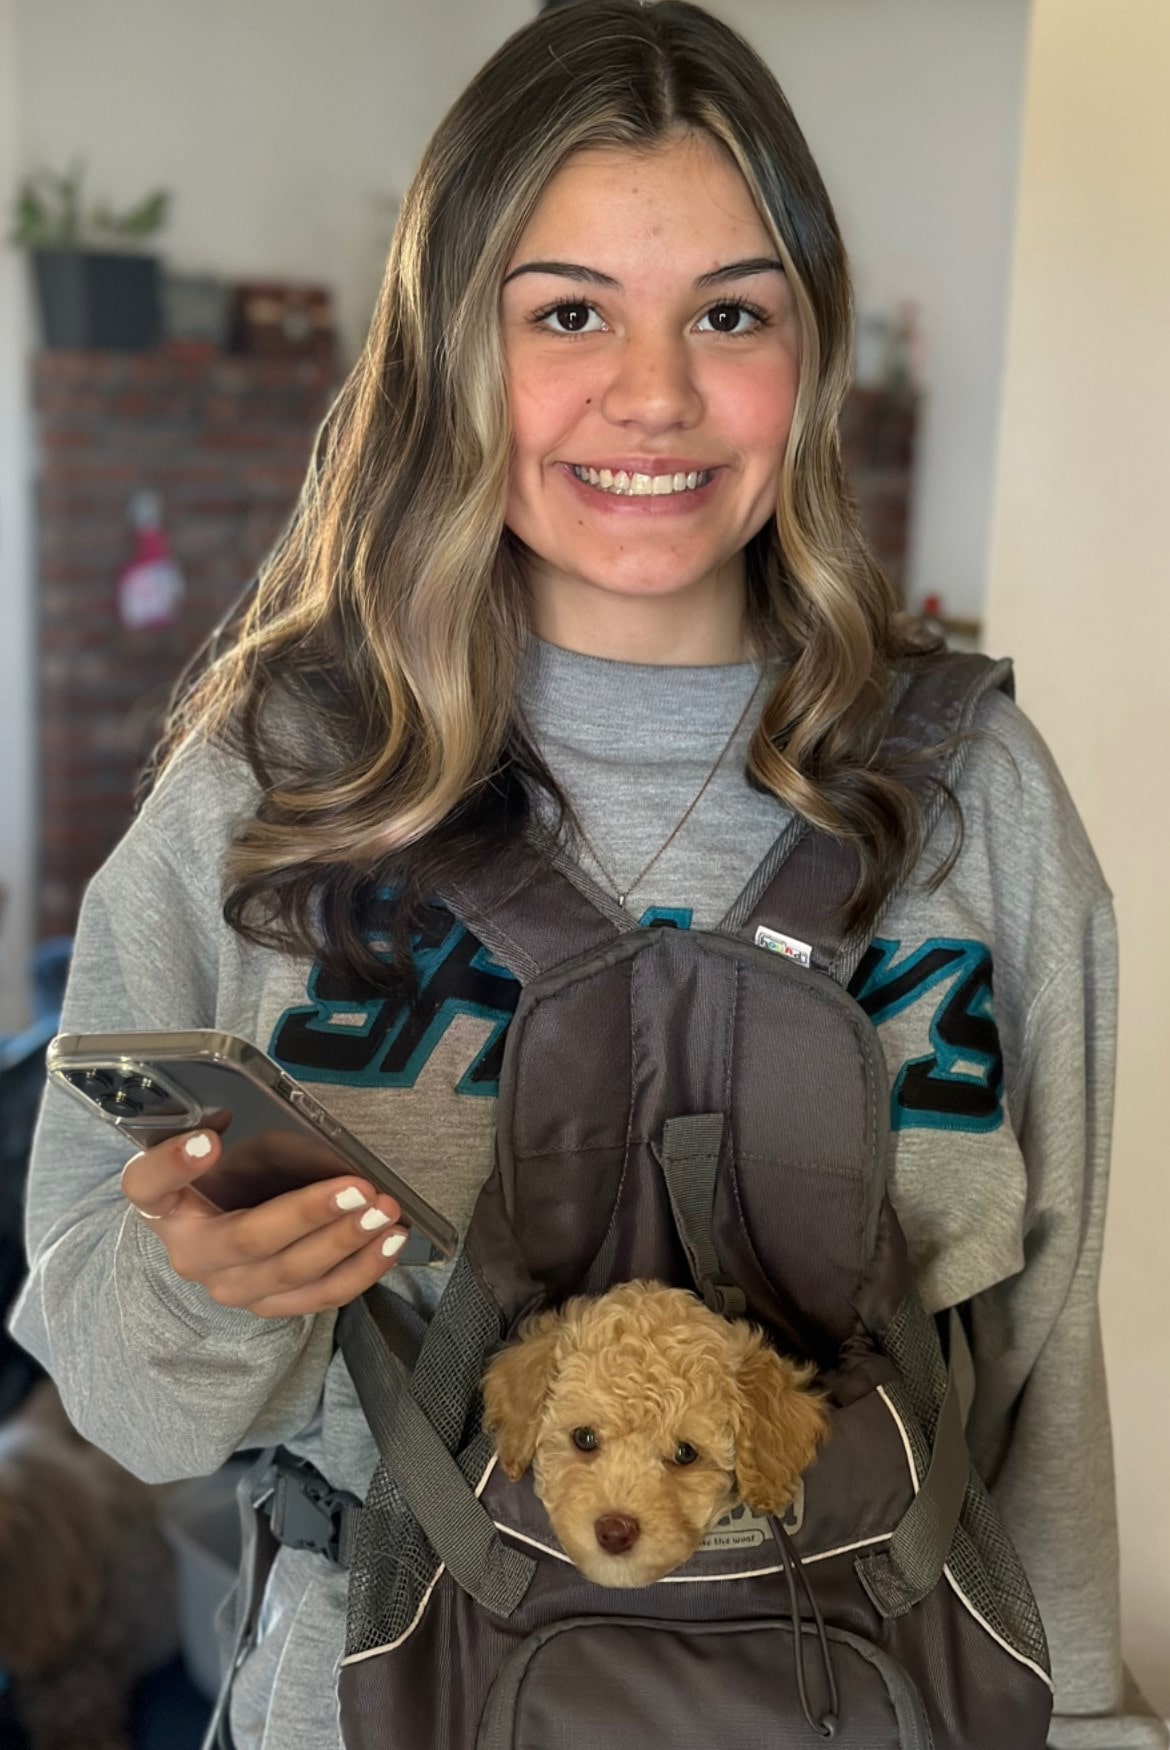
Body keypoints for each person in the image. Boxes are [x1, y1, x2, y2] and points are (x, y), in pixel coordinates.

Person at [8, 3, 1166, 1746]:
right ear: (449, 349)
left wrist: (1083, 1719)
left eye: (728, 311)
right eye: (566, 311)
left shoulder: (974, 793)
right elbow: (123, 1408)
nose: (654, 393)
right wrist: (191, 1293)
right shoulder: (276, 777)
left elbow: (1040, 1375)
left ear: (810, 346)